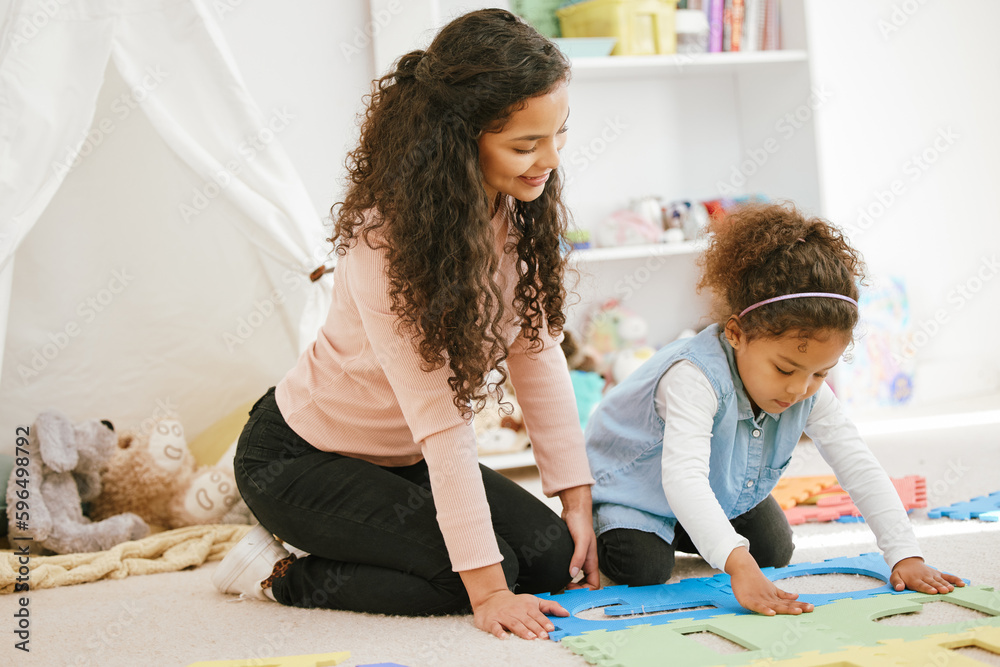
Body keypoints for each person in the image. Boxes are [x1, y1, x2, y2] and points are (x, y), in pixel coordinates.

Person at [211, 9, 600, 640]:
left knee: (553, 560)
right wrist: (491, 593)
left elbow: (537, 351)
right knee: (463, 580)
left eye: (556, 136)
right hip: (300, 459)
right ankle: (275, 571)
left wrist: (576, 500)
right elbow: (441, 422)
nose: (548, 160)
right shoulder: (384, 240)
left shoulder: (513, 208)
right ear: (458, 139)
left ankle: (379, 541)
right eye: (526, 145)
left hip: (400, 460)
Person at [585, 202, 964, 616]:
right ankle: (614, 525)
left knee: (773, 549)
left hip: (718, 486)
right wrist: (736, 564)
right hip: (636, 491)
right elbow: (683, 479)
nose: (799, 388)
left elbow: (858, 464)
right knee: (644, 568)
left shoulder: (806, 388)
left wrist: (905, 553)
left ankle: (695, 531)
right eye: (785, 368)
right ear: (736, 333)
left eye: (821, 373)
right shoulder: (693, 377)